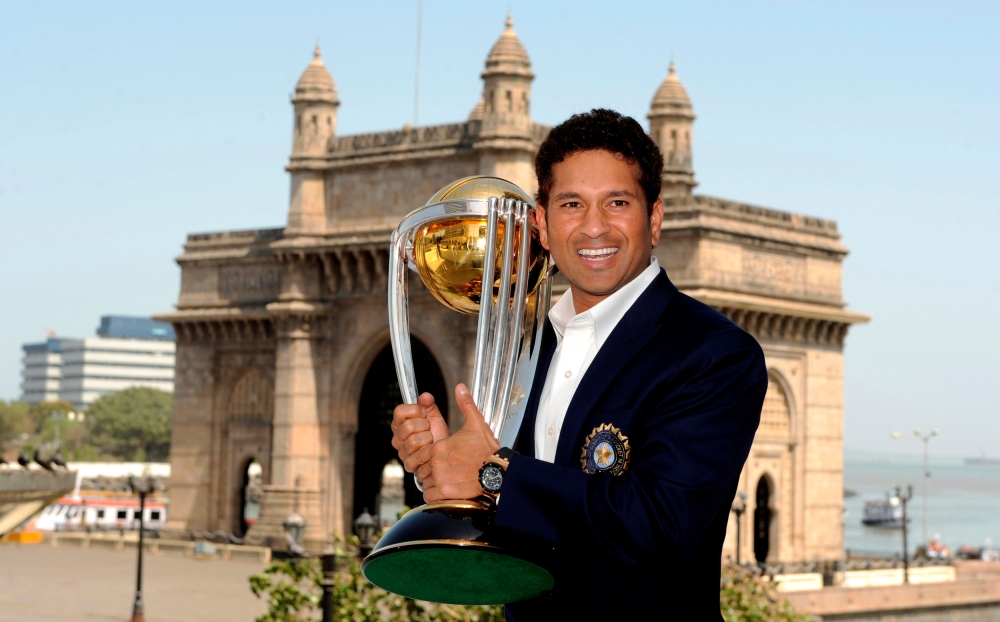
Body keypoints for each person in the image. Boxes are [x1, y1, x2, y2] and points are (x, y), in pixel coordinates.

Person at [391, 108, 767, 620]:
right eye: (571, 204)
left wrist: (493, 471)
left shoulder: (712, 353)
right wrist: (442, 470)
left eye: (617, 202)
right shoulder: (529, 348)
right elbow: (510, 516)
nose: (594, 227)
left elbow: (662, 526)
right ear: (542, 224)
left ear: (654, 218)